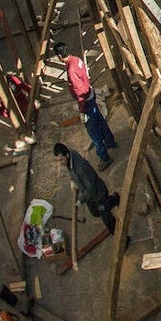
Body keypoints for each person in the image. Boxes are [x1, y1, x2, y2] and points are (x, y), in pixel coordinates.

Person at [55, 41, 116, 171]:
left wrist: (82, 110)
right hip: (91, 95)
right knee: (99, 120)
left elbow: (80, 91)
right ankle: (110, 141)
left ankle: (104, 157)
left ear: (59, 56)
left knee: (93, 131)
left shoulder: (71, 70)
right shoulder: (76, 60)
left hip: (86, 101)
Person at [53, 143, 120, 235]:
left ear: (67, 155)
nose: (60, 163)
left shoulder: (81, 168)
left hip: (98, 193)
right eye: (58, 160)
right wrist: (73, 180)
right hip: (90, 194)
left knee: (107, 219)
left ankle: (120, 235)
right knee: (95, 213)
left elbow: (91, 189)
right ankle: (114, 199)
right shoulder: (70, 157)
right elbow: (72, 172)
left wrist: (80, 199)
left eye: (61, 159)